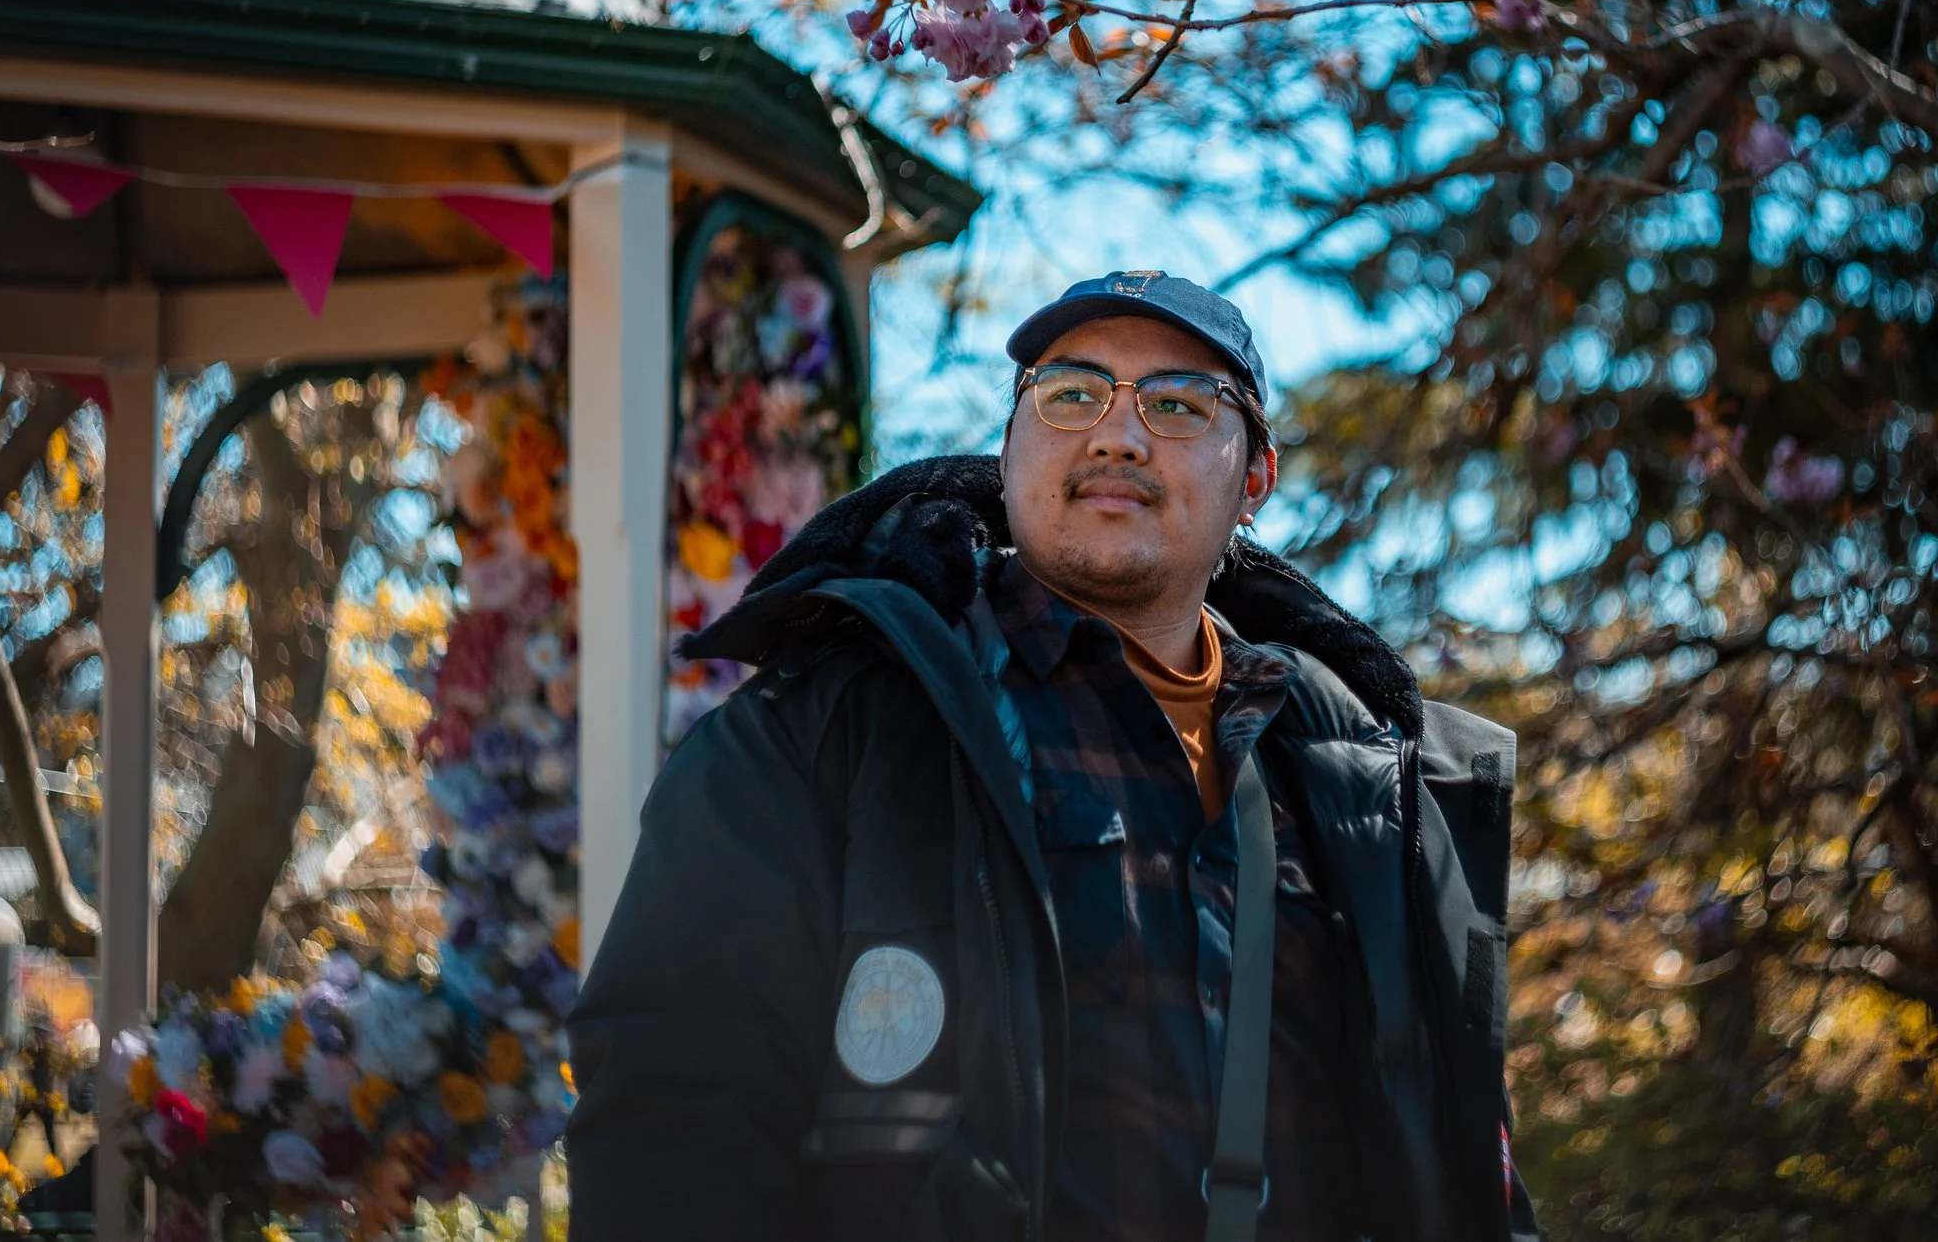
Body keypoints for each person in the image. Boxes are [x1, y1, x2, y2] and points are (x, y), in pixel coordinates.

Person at [567, 270, 1537, 1242]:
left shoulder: (1357, 771)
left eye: (1178, 404)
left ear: (1254, 480)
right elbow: (672, 1117)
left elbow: (1457, 1150)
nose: (1115, 434)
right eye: (1070, 393)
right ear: (1009, 448)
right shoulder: (828, 728)